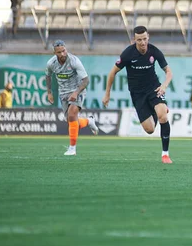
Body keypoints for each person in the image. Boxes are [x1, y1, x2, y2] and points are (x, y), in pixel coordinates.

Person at [102, 26, 173, 163]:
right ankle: (158, 109)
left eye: (145, 39)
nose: (142, 42)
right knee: (150, 129)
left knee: (163, 116)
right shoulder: (128, 54)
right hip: (137, 94)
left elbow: (168, 72)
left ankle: (165, 154)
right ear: (134, 40)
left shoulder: (154, 51)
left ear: (148, 37)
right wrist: (107, 94)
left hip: (154, 88)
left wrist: (164, 86)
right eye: (139, 40)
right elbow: (112, 73)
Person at [45, 40, 98, 156]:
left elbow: (86, 80)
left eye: (64, 51)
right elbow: (48, 76)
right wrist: (49, 92)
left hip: (78, 90)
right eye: (59, 52)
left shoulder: (74, 61)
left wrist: (76, 92)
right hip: (63, 93)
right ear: (55, 53)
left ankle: (72, 148)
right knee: (72, 122)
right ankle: (89, 121)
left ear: (66, 49)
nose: (62, 54)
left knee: (72, 115)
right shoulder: (51, 63)